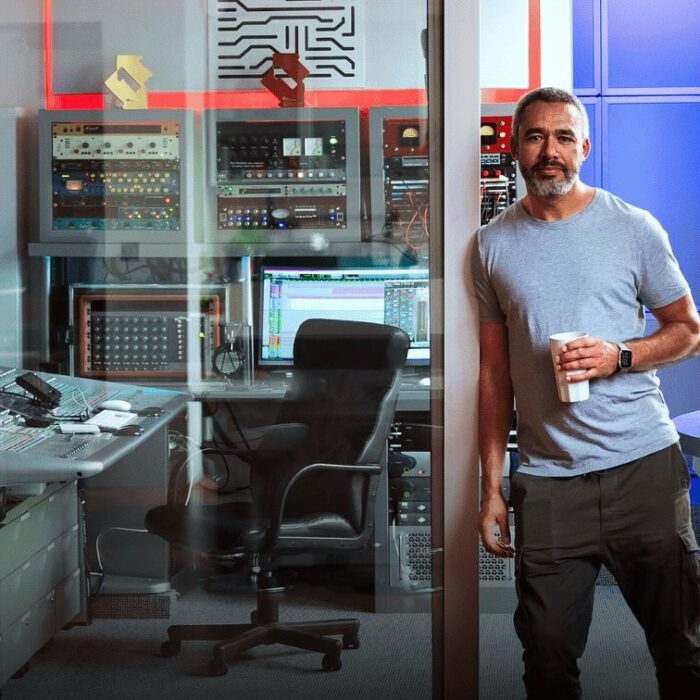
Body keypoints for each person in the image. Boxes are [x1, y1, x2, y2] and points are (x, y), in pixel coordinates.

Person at [471, 86, 700, 699]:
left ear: (584, 148)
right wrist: (491, 488)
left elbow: (688, 331)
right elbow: (494, 375)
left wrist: (619, 355)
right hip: (548, 480)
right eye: (536, 136)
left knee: (682, 648)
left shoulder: (633, 228)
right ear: (515, 147)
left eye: (564, 137)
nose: (550, 150)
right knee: (546, 659)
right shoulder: (491, 245)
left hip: (641, 466)